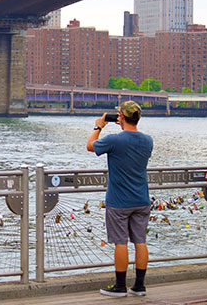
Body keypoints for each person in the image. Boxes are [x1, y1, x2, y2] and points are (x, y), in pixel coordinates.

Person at [87, 100, 153, 297]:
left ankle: (120, 286)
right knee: (140, 241)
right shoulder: (148, 140)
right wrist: (125, 125)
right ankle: (139, 286)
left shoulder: (115, 140)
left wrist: (99, 126)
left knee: (120, 243)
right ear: (139, 118)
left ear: (121, 117)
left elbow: (91, 146)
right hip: (141, 198)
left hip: (118, 201)